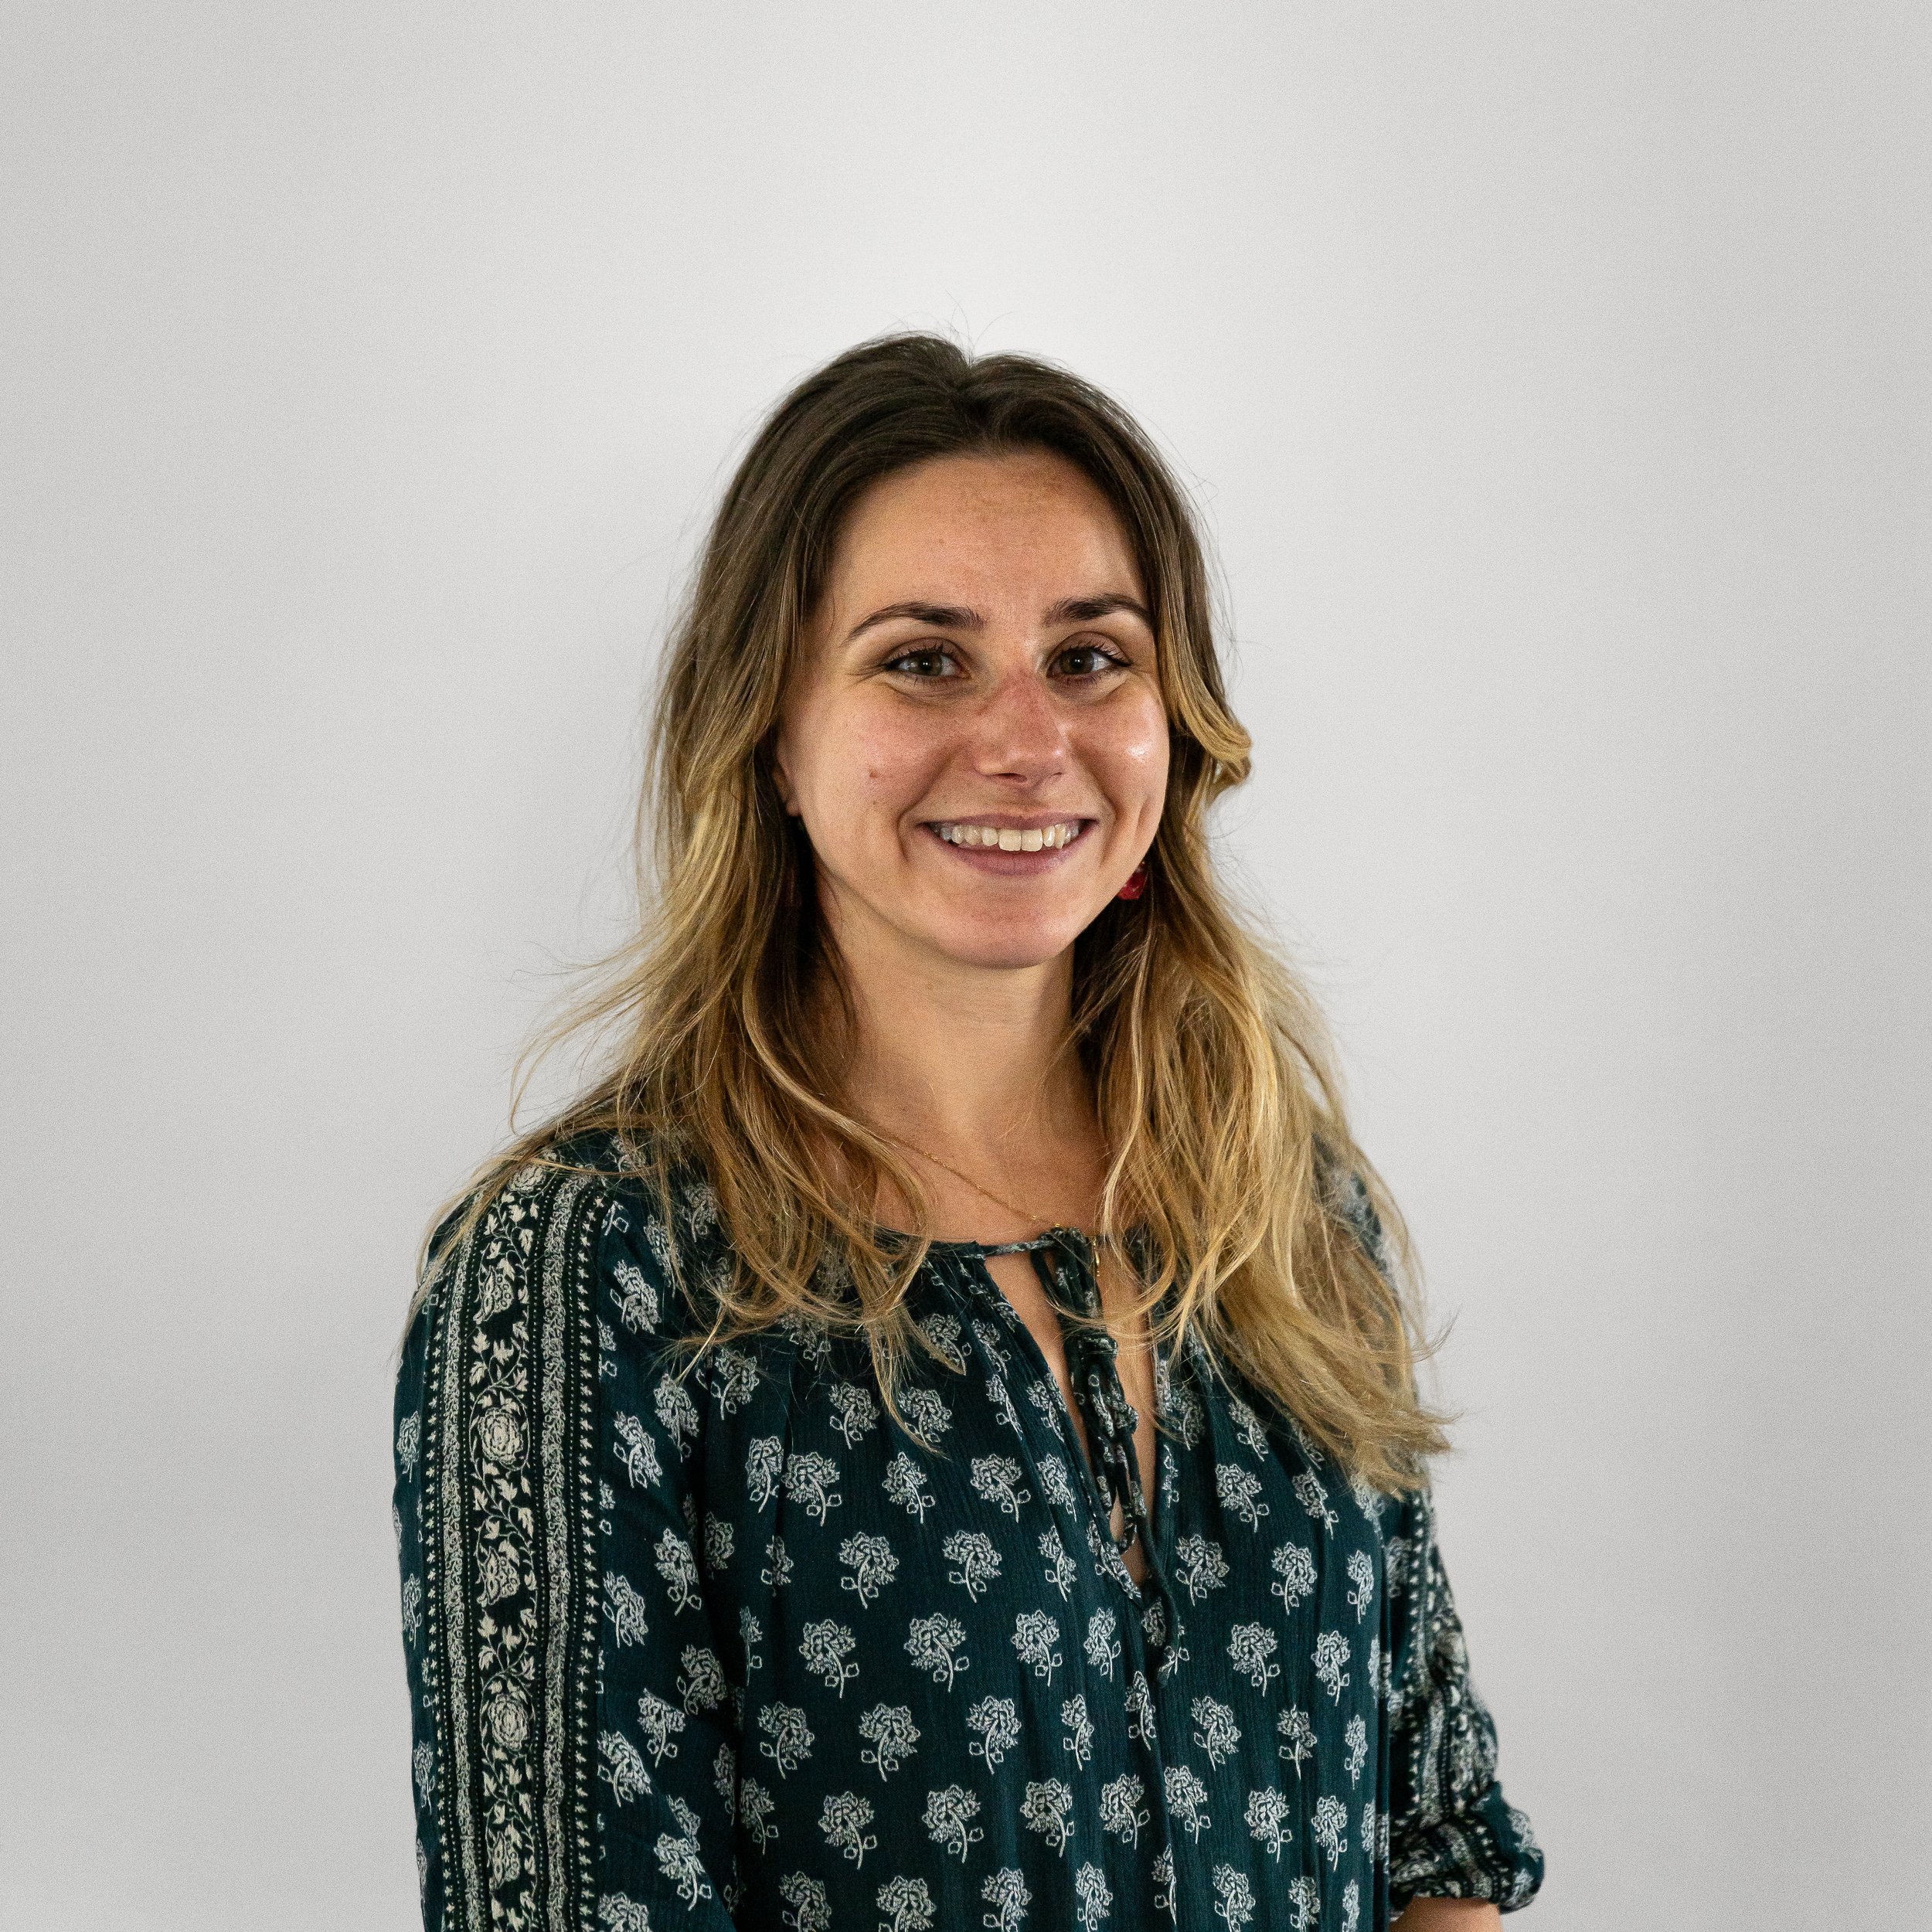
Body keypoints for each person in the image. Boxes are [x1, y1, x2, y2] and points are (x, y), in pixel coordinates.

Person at [391, 334, 1543, 1931]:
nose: (1023, 738)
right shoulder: (591, 1263)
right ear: (771, 732)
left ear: (1173, 720)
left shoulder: (1281, 1209)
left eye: (1089, 658)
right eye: (923, 658)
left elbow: (1431, 1849)